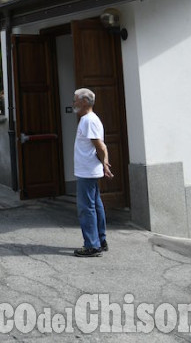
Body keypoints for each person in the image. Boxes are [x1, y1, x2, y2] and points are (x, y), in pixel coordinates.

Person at [72, 88, 113, 257]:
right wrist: (104, 164)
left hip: (87, 171)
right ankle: (100, 240)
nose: (73, 103)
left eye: (75, 100)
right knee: (95, 205)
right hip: (89, 170)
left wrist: (105, 163)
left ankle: (92, 245)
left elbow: (100, 145)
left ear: (84, 102)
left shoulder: (88, 120)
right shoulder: (89, 119)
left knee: (86, 208)